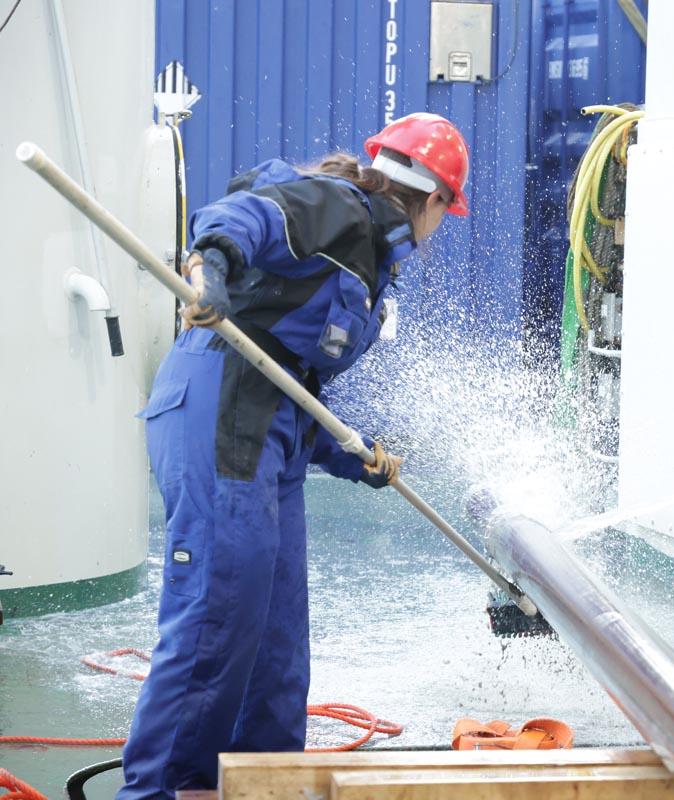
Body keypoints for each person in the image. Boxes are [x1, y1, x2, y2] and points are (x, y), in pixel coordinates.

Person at [118, 112, 470, 799]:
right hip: (221, 408)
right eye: (444, 214)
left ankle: (260, 782)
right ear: (433, 199)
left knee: (276, 637)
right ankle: (160, 791)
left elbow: (294, 380)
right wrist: (208, 268)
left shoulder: (369, 254)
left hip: (271, 429)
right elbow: (242, 217)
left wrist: (349, 453)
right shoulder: (338, 208)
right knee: (218, 615)